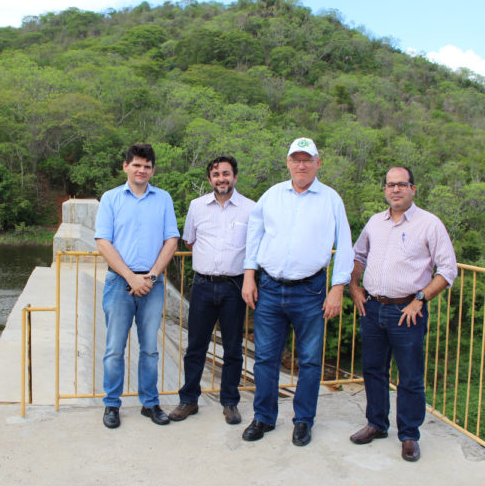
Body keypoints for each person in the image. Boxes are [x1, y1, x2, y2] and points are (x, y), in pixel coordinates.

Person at [241, 137, 354, 446]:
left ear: (318, 163)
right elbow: (255, 236)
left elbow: (344, 245)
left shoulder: (331, 199)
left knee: (309, 360)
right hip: (270, 288)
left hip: (311, 291)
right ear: (288, 162)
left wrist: (337, 288)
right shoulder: (272, 196)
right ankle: (263, 417)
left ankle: (303, 420)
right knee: (264, 357)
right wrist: (249, 277)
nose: (301, 164)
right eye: (296, 159)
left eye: (308, 159)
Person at [348, 166, 457, 462]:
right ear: (384, 189)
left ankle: (409, 435)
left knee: (409, 376)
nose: (395, 190)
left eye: (401, 185)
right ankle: (376, 424)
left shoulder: (430, 224)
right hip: (372, 308)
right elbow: (358, 256)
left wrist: (421, 298)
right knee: (373, 370)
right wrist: (355, 288)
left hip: (407, 311)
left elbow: (448, 270)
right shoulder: (374, 222)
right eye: (390, 185)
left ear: (413, 188)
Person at [94, 143, 179, 429]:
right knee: (114, 348)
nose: (142, 170)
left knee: (150, 349)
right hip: (120, 282)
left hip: (152, 283)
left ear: (153, 170)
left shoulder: (163, 198)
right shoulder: (111, 198)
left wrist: (152, 277)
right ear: (125, 166)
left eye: (147, 166)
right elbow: (103, 241)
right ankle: (111, 404)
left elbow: (171, 240)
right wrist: (131, 277)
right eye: (136, 165)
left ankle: (150, 403)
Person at [168, 156, 255, 425]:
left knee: (232, 349)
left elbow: (253, 248)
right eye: (216, 174)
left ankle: (229, 402)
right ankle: (189, 400)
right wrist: (210, 266)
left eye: (226, 173)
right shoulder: (196, 207)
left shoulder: (251, 209)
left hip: (235, 287)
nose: (221, 178)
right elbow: (191, 241)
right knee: (195, 346)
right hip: (203, 285)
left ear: (235, 177)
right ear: (209, 179)